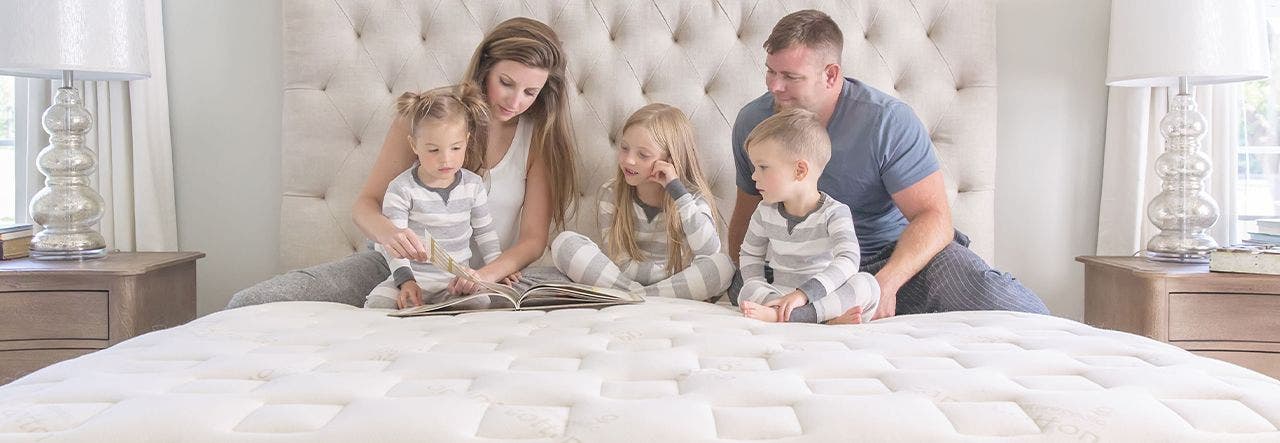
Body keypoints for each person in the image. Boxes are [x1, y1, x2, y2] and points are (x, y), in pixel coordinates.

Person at [228, 17, 578, 308]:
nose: (515, 101)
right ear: (485, 68)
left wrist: (485, 275)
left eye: (530, 92)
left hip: (478, 276)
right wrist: (392, 235)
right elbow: (366, 205)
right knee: (254, 302)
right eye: (506, 83)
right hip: (393, 266)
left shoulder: (537, 138)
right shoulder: (428, 117)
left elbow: (533, 239)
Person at [728, 10, 1049, 322]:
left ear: (830, 75)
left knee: (987, 291)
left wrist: (887, 284)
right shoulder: (754, 122)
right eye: (771, 71)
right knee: (742, 285)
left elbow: (934, 218)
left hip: (886, 260)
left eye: (790, 77)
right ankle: (813, 312)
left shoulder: (886, 122)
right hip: (795, 264)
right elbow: (746, 218)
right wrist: (749, 277)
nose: (774, 86)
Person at [550, 103, 734, 302]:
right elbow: (620, 261)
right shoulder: (611, 194)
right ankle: (645, 298)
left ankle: (635, 298)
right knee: (564, 243)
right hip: (628, 280)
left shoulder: (690, 201)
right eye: (624, 148)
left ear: (670, 160)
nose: (629, 160)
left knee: (722, 266)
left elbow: (709, 251)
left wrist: (678, 193)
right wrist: (649, 281)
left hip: (672, 283)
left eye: (643, 155)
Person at [365, 84, 502, 309]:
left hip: (454, 281)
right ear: (414, 145)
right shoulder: (401, 189)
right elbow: (396, 246)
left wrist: (497, 267)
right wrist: (406, 282)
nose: (445, 160)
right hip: (411, 278)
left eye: (456, 148)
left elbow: (485, 233)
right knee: (378, 303)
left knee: (479, 304)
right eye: (433, 150)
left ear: (467, 141)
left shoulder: (473, 186)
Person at [737, 109, 880, 323]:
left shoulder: (835, 213)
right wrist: (766, 295)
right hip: (778, 295)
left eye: (763, 167)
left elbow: (849, 259)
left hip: (823, 295)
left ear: (800, 171)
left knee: (868, 285)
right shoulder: (764, 212)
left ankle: (798, 316)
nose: (754, 176)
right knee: (747, 288)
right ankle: (821, 319)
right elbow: (750, 255)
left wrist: (804, 294)